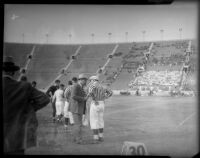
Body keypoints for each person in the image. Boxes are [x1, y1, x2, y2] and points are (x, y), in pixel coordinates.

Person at [3, 56, 50, 155]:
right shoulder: (24, 86)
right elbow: (45, 99)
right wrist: (29, 108)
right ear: (13, 72)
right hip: (16, 136)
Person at [87, 75, 113, 144]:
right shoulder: (103, 86)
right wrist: (105, 97)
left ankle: (96, 137)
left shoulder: (92, 85)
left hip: (95, 103)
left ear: (93, 80)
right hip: (102, 103)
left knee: (94, 120)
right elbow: (111, 92)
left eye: (91, 80)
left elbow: (90, 93)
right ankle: (101, 136)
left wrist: (94, 99)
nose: (90, 81)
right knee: (101, 120)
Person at [70, 74, 88, 144]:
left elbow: (80, 95)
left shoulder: (80, 86)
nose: (86, 81)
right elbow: (73, 96)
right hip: (76, 108)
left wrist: (86, 95)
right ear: (81, 80)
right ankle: (79, 140)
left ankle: (75, 138)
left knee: (77, 124)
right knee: (78, 125)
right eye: (85, 80)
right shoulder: (76, 86)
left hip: (78, 108)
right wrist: (83, 98)